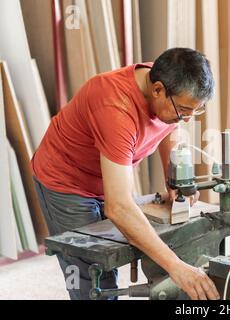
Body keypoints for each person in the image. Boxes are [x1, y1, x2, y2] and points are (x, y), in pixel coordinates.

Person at [31, 48, 220, 300]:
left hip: (106, 174)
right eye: (184, 110)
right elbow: (118, 207)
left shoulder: (170, 78)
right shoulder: (114, 106)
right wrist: (177, 268)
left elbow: (169, 126)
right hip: (66, 181)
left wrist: (173, 176)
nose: (186, 119)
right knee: (94, 276)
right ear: (157, 90)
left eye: (195, 111)